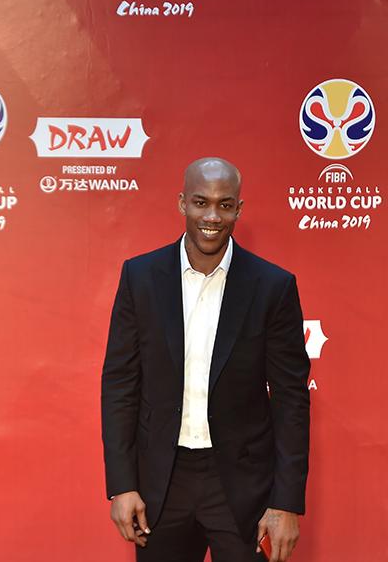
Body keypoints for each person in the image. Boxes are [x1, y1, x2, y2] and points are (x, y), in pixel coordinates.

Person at [101, 157, 311, 562]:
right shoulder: (140, 277)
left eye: (224, 204)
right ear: (182, 203)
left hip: (243, 486)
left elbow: (291, 400)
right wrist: (122, 485)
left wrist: (286, 502)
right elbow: (120, 385)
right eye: (201, 202)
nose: (212, 217)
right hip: (161, 485)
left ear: (238, 209)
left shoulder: (273, 286)